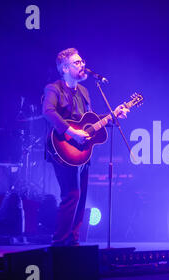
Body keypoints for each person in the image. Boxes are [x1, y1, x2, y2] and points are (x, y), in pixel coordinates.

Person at [42, 48, 129, 246]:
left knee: (80, 198)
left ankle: (73, 241)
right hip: (62, 148)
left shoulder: (84, 91)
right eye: (77, 62)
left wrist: (112, 117)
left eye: (82, 61)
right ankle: (59, 242)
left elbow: (89, 122)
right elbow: (48, 112)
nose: (83, 65)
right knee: (71, 194)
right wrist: (72, 132)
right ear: (65, 68)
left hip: (82, 152)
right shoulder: (53, 88)